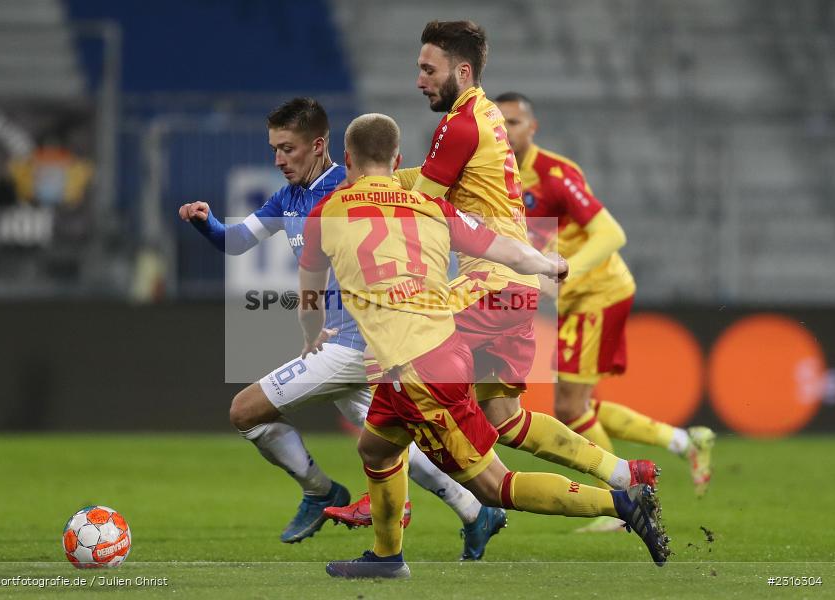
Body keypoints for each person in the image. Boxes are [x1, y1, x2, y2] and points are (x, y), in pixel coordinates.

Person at [328, 21, 659, 552]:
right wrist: (370, 178)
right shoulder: (480, 115)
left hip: (488, 285)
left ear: (461, 70)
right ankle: (623, 473)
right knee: (505, 418)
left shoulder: (459, 126)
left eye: (427, 69)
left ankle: (401, 503)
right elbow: (418, 185)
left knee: (405, 366)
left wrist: (358, 187)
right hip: (514, 290)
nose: (419, 80)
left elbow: (418, 207)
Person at [179, 97, 502, 553]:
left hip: (356, 344)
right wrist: (204, 221)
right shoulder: (287, 198)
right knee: (394, 445)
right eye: (274, 148)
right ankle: (476, 509)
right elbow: (235, 241)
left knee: (245, 411)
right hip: (345, 342)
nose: (278, 159)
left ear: (319, 145)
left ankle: (319, 490)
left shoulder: (349, 190)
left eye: (287, 149)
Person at [494, 91, 716, 529]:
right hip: (575, 297)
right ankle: (684, 441)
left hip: (598, 292)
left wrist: (566, 271)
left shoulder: (554, 175)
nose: (506, 129)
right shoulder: (496, 176)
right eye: (499, 122)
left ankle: (625, 503)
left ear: (532, 128)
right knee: (578, 406)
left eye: (515, 121)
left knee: (572, 407)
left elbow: (611, 233)